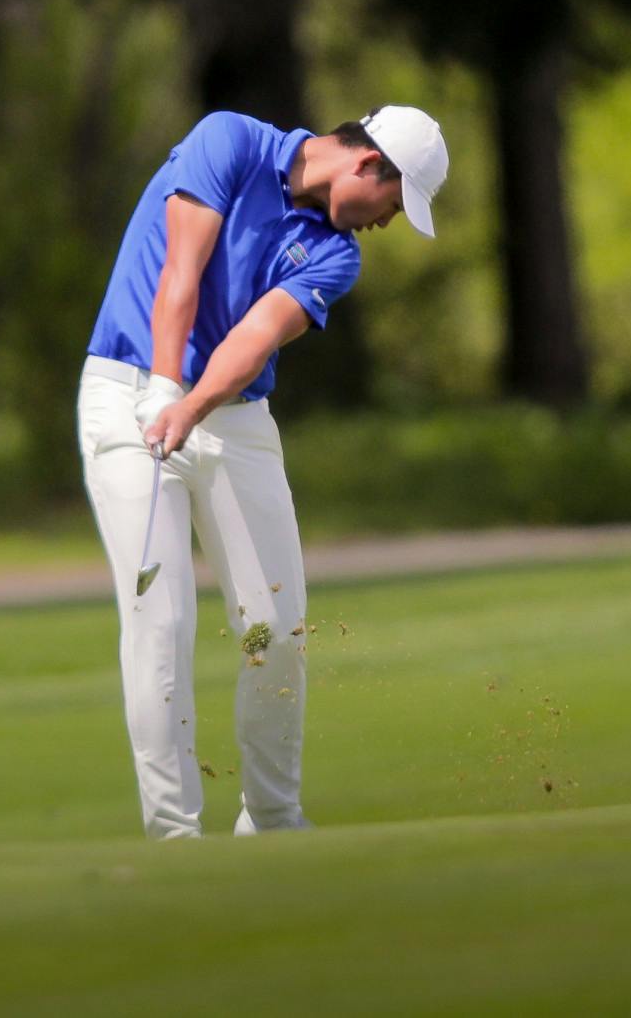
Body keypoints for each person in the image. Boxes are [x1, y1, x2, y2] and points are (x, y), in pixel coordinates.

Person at [78, 105, 449, 839]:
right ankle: (174, 833)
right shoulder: (231, 141)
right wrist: (161, 387)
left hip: (234, 418)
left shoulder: (336, 255)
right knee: (162, 618)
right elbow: (180, 270)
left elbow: (254, 336)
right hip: (127, 391)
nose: (386, 223)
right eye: (393, 205)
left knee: (273, 628)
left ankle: (273, 820)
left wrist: (191, 406)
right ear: (368, 165)